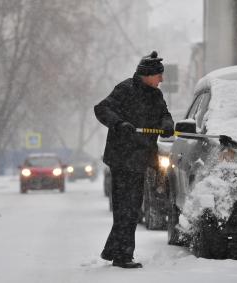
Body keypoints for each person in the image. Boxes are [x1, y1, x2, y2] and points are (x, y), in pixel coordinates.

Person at [94, 51, 174, 268]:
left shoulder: (156, 96)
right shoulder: (125, 89)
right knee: (126, 208)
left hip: (141, 158)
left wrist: (167, 125)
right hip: (121, 158)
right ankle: (122, 256)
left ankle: (114, 251)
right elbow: (101, 109)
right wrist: (119, 124)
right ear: (147, 75)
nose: (162, 79)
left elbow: (165, 114)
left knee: (131, 208)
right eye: (159, 75)